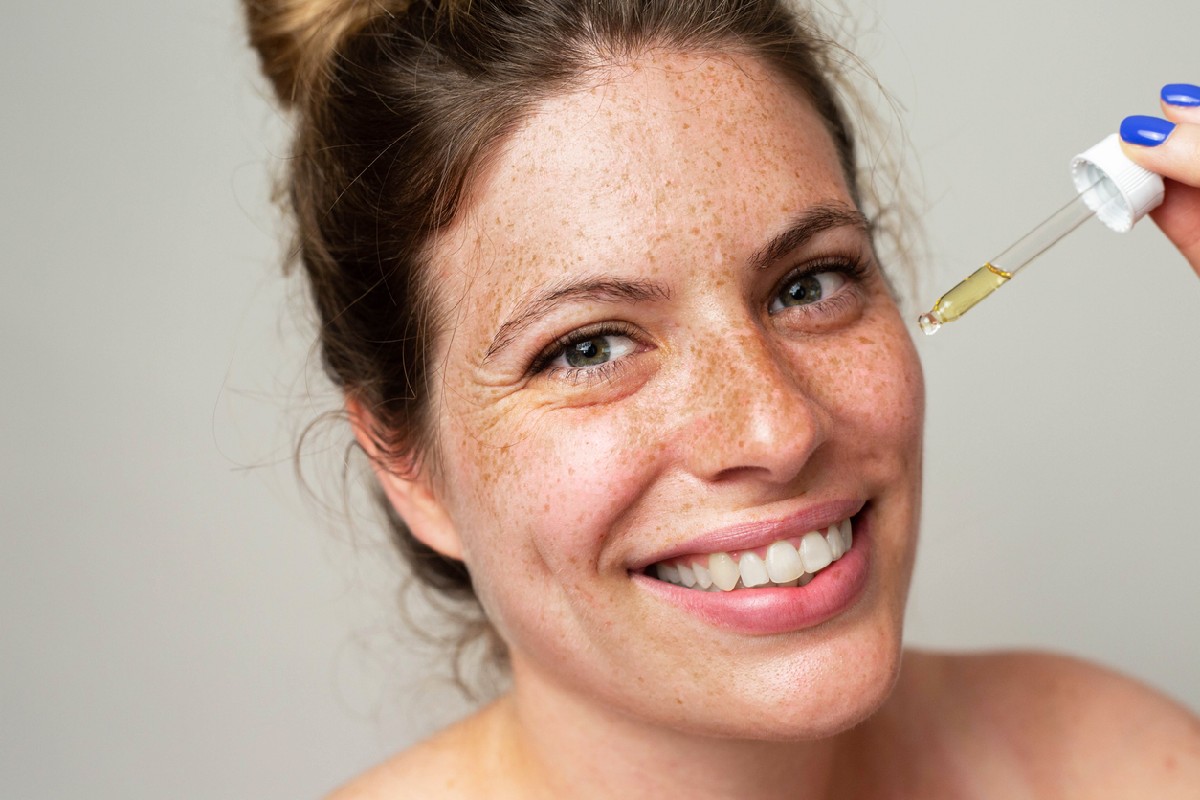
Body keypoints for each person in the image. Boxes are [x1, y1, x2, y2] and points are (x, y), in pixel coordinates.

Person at [242, 0, 1200, 796]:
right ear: (409, 469)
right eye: (589, 346)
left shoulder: (1119, 766)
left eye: (809, 285)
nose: (778, 429)